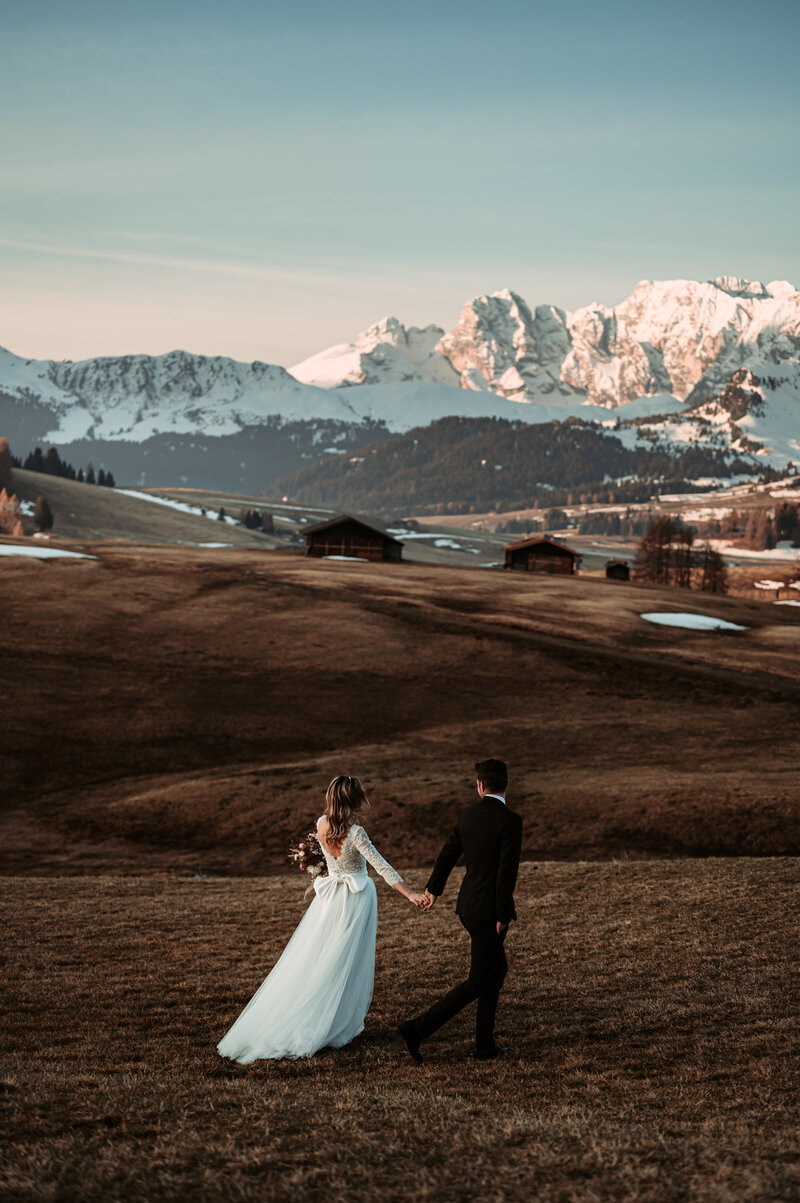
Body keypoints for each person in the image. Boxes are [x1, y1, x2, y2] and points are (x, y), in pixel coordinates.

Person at [218, 775, 426, 1062]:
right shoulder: (356, 834)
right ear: (355, 801)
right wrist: (411, 894)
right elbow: (382, 867)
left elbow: (330, 862)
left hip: (329, 899)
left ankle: (321, 1014)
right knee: (345, 960)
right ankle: (328, 1021)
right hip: (355, 899)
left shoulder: (321, 823)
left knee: (322, 954)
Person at [398, 758, 522, 1062]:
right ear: (507, 784)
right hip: (488, 914)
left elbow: (448, 854)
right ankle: (415, 1029)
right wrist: (502, 916)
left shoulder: (467, 815)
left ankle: (484, 1046)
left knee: (495, 972)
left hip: (469, 906)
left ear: (480, 786)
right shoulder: (510, 821)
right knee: (481, 979)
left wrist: (433, 891)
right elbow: (507, 874)